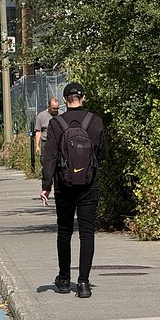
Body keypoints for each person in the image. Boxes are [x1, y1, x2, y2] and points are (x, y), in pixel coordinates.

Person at [39, 83, 107, 298]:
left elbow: (49, 157)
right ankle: (84, 282)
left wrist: (45, 186)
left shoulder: (56, 123)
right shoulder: (95, 122)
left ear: (65, 99)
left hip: (63, 185)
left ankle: (64, 279)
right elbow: (103, 154)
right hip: (89, 183)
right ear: (83, 97)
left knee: (65, 232)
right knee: (87, 233)